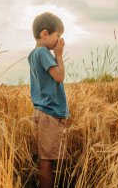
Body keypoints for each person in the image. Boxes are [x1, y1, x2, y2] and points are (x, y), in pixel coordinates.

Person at [28, 12, 70, 188]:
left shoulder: (34, 54)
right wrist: (59, 55)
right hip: (49, 113)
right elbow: (59, 76)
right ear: (45, 34)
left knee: (47, 157)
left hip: (44, 111)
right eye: (58, 36)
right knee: (46, 160)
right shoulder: (43, 52)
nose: (59, 41)